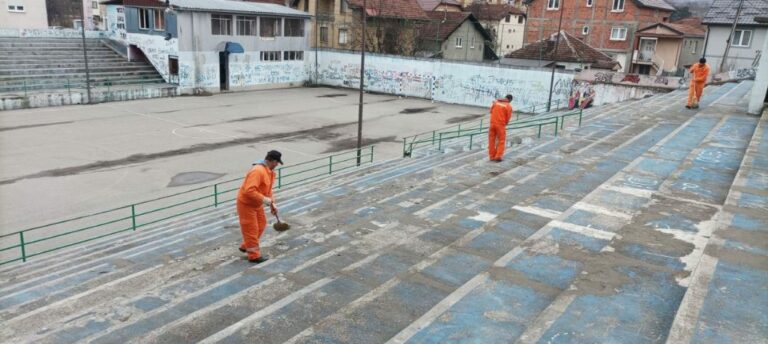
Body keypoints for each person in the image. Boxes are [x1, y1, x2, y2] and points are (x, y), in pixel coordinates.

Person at [237, 150, 282, 264]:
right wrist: (264, 199)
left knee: (261, 224)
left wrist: (272, 203)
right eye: (277, 162)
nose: (277, 165)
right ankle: (254, 256)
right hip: (246, 204)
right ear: (272, 160)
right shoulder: (257, 171)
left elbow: (267, 190)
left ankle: (245, 246)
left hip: (256, 203)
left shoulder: (269, 172)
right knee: (251, 229)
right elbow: (249, 190)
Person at [488, 94, 513, 162]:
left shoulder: (496, 102)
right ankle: (498, 156)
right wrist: (505, 123)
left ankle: (492, 156)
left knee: (491, 140)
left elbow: (491, 111)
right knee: (501, 140)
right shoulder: (508, 106)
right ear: (510, 100)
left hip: (492, 124)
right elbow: (508, 117)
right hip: (500, 125)